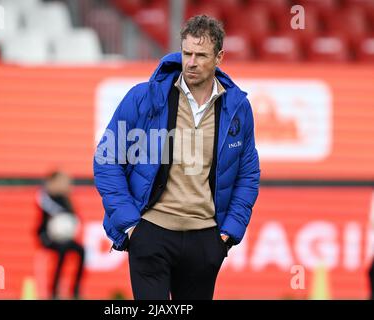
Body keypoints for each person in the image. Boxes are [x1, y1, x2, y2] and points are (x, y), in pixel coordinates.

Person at [94, 15, 260, 300]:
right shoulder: (143, 97)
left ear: (219, 57)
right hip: (151, 234)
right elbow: (106, 159)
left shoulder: (238, 108)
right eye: (187, 53)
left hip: (206, 240)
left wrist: (227, 234)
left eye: (201, 55)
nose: (191, 62)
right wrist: (132, 226)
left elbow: (248, 175)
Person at [36, 170, 85, 299]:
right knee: (62, 251)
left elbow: (72, 218)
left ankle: (75, 290)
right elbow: (54, 215)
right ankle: (54, 291)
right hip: (47, 237)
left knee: (81, 250)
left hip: (64, 238)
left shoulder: (65, 199)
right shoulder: (45, 197)